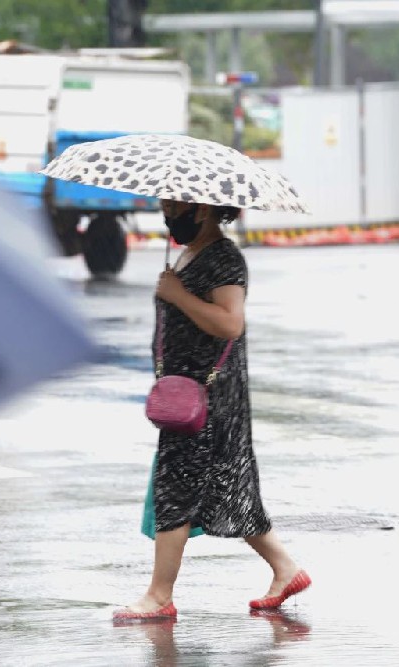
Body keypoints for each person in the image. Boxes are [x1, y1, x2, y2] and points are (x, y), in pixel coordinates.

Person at [113, 199, 310, 622]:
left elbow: (230, 323)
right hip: (189, 393)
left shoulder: (223, 258)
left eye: (173, 206)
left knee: (176, 486)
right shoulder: (189, 254)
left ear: (201, 209)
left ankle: (158, 596)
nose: (167, 213)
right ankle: (285, 569)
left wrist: (178, 294)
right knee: (225, 486)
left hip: (208, 398)